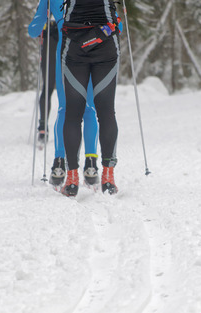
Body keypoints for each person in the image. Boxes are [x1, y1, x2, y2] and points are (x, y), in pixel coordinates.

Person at [29, 0, 100, 188]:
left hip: (66, 55)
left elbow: (33, 30)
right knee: (89, 108)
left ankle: (59, 164)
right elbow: (119, 26)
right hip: (91, 51)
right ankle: (91, 165)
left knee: (65, 109)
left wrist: (45, 22)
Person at [60, 0, 121, 196]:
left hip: (74, 44)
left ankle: (71, 180)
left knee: (73, 113)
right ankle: (108, 178)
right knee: (106, 112)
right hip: (106, 41)